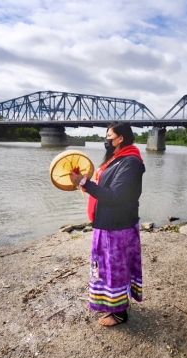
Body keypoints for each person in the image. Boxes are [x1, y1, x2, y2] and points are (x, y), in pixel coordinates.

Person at [70, 122, 145, 327]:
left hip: (118, 227)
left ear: (121, 138)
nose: (107, 139)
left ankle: (120, 313)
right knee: (104, 268)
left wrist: (86, 184)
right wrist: (84, 181)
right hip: (107, 224)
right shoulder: (116, 160)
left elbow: (115, 196)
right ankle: (111, 303)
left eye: (109, 135)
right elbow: (104, 187)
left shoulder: (131, 162)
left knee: (115, 269)